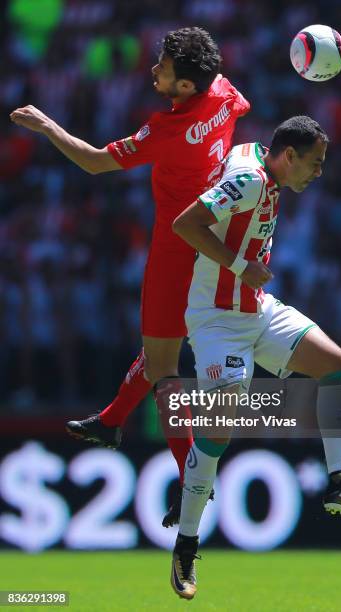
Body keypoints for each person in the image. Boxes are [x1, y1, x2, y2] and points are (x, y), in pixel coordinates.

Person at [10, 27, 250, 527]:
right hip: (215, 242)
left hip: (174, 250)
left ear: (186, 87)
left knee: (164, 369)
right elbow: (235, 107)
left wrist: (47, 126)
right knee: (160, 356)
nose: (153, 70)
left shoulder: (166, 128)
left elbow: (96, 163)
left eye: (162, 66)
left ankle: (191, 482)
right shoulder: (223, 92)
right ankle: (113, 421)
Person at [169, 116, 341, 600]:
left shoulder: (257, 164)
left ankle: (340, 481)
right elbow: (185, 223)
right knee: (223, 424)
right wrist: (240, 264)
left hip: (257, 310)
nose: (318, 173)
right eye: (314, 163)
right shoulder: (249, 181)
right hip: (217, 320)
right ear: (288, 155)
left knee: (335, 363)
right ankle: (186, 542)